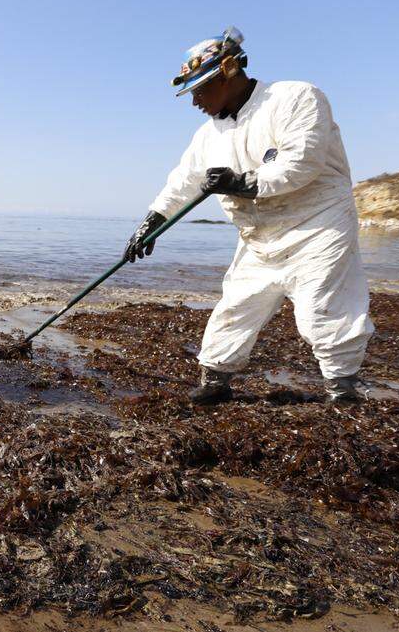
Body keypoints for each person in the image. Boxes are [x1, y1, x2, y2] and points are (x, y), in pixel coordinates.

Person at [123, 27, 373, 404]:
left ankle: (342, 389)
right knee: (236, 307)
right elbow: (183, 183)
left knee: (323, 309)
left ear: (228, 72)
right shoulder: (208, 136)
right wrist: (152, 222)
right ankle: (215, 380)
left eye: (200, 89)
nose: (195, 101)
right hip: (257, 237)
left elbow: (302, 163)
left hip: (316, 228)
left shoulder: (295, 97)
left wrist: (240, 182)